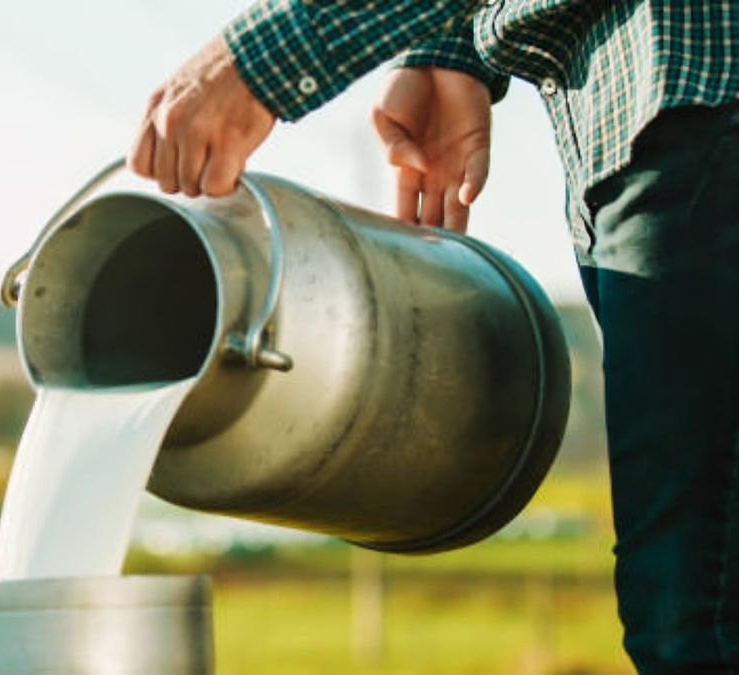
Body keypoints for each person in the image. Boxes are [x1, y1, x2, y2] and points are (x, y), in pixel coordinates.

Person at [127, 2, 739, 672]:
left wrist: (255, 62)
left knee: (693, 616)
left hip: (703, 93)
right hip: (646, 128)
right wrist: (452, 52)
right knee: (688, 602)